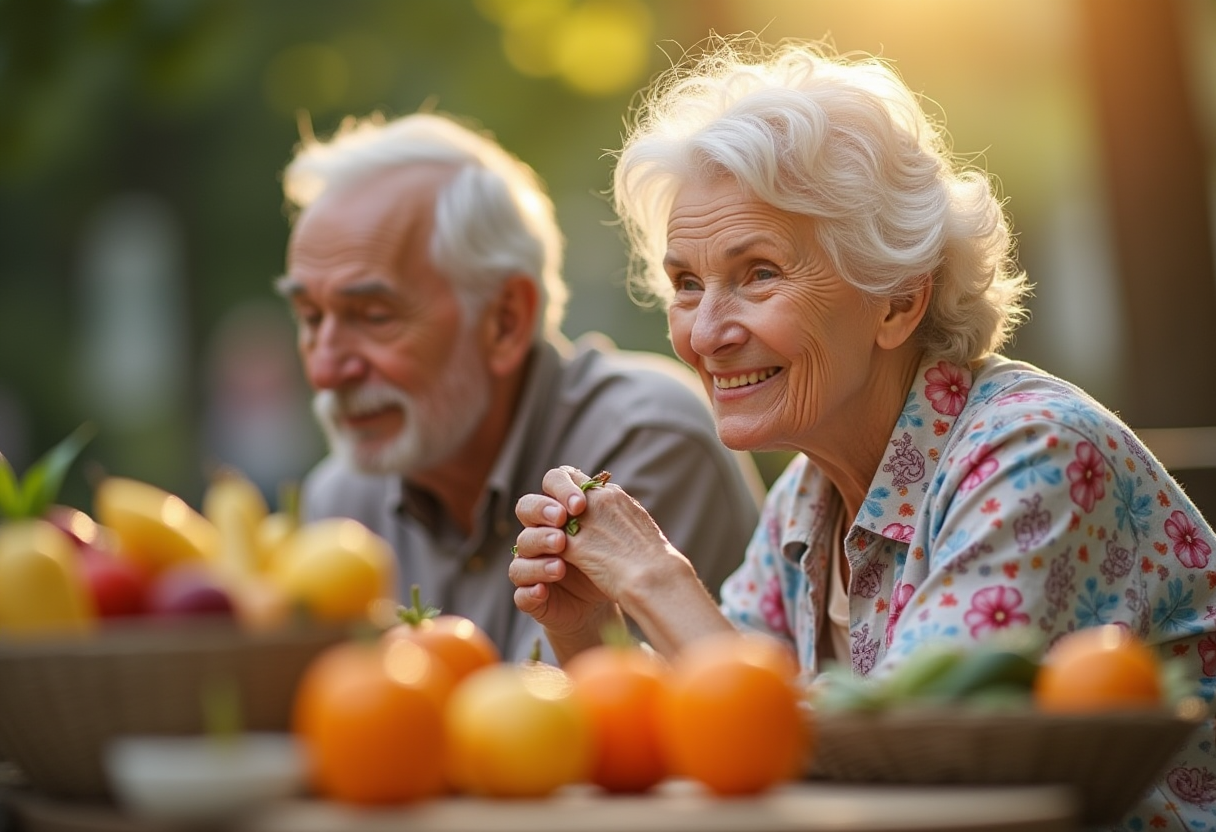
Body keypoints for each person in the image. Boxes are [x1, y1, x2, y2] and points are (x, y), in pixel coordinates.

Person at [508, 38, 1216, 830]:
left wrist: (656, 581)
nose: (705, 332)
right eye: (685, 283)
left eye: (759, 273)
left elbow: (913, 768)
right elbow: (724, 735)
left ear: (898, 302)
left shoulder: (1035, 452)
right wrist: (589, 632)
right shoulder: (810, 498)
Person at [274, 110, 765, 662]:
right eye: (311, 318)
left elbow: (563, 730)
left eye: (374, 316)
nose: (323, 371)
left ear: (505, 321)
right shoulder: (341, 500)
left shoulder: (645, 435)